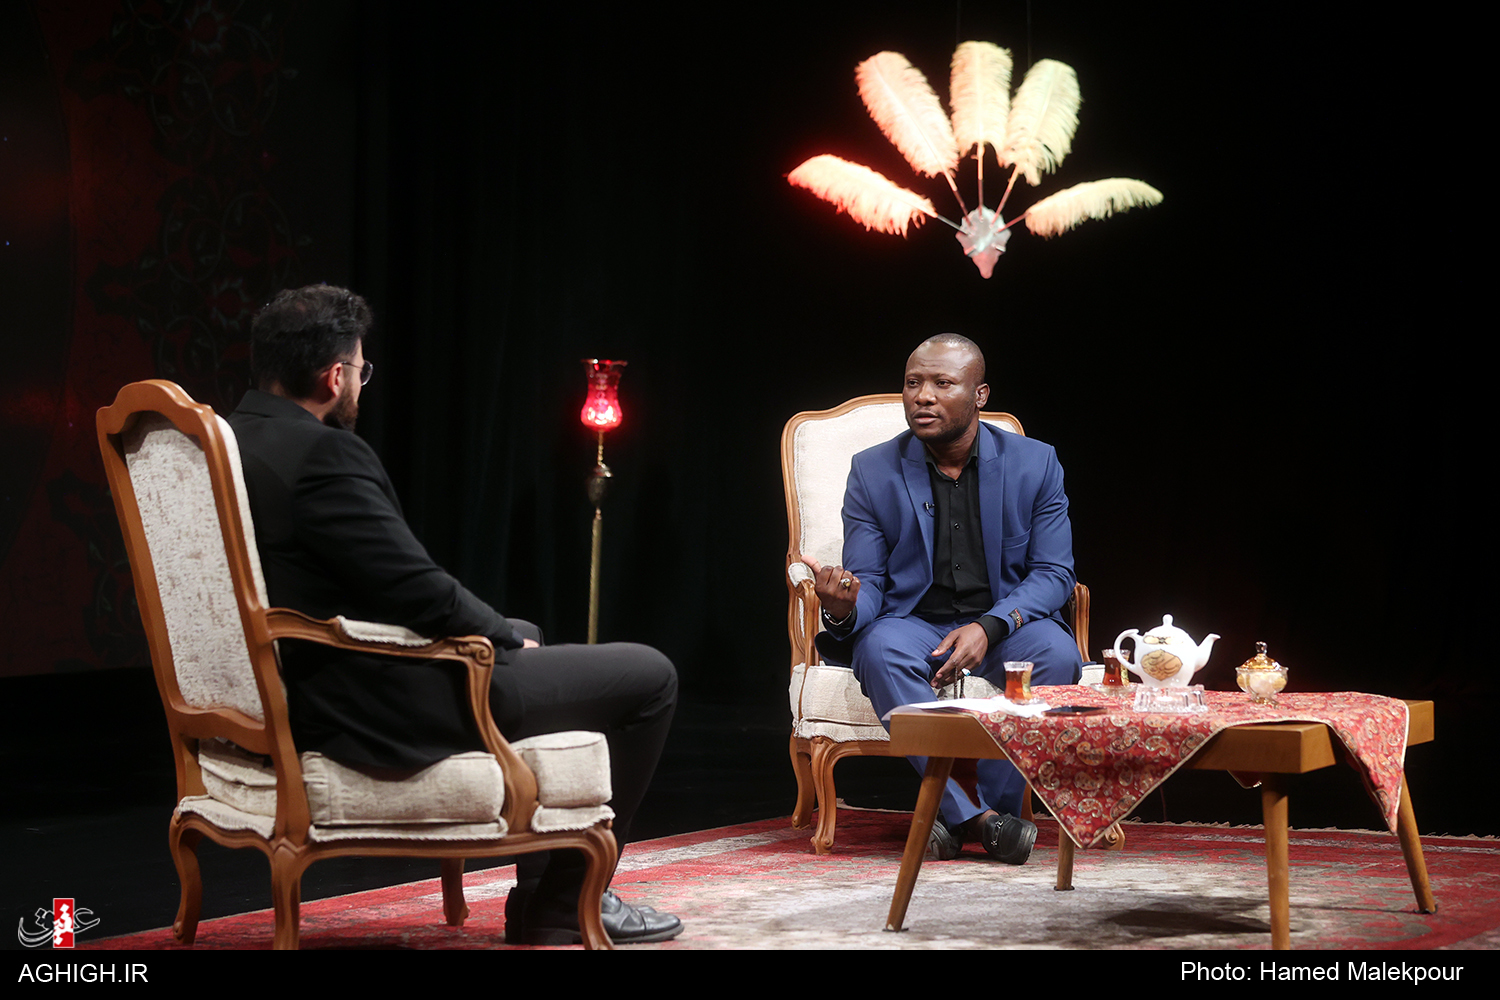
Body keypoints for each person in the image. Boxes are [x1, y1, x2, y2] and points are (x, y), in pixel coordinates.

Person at [228, 284, 682, 944]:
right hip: (365, 702)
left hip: (297, 681)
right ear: (334, 377)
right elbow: (416, 590)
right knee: (650, 676)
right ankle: (568, 900)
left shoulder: (234, 439)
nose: (360, 383)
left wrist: (505, 634)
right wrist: (498, 639)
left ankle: (537, 899)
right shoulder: (322, 453)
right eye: (361, 370)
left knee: (526, 632)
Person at [807, 333, 1082, 865]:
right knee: (878, 649)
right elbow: (870, 581)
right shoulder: (873, 470)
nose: (923, 396)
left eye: (942, 383)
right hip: (915, 621)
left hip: (1007, 622)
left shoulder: (1036, 463)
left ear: (979, 395)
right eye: (913, 383)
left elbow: (1054, 573)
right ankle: (981, 822)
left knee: (1057, 655)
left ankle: (970, 812)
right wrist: (842, 608)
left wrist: (989, 627)